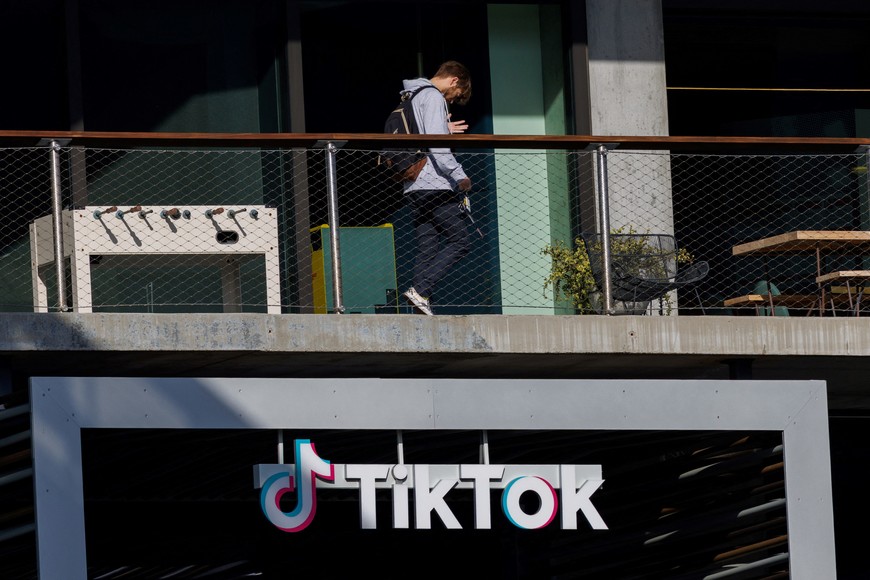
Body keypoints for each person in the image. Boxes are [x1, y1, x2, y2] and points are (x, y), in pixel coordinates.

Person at [400, 60, 473, 316]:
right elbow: (438, 147)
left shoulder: (412, 95)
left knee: (428, 246)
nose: (452, 100)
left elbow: (425, 133)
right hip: (434, 183)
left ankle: (420, 304)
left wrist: (444, 128)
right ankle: (421, 291)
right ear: (454, 80)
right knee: (460, 240)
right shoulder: (432, 96)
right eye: (456, 95)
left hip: (413, 184)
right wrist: (459, 175)